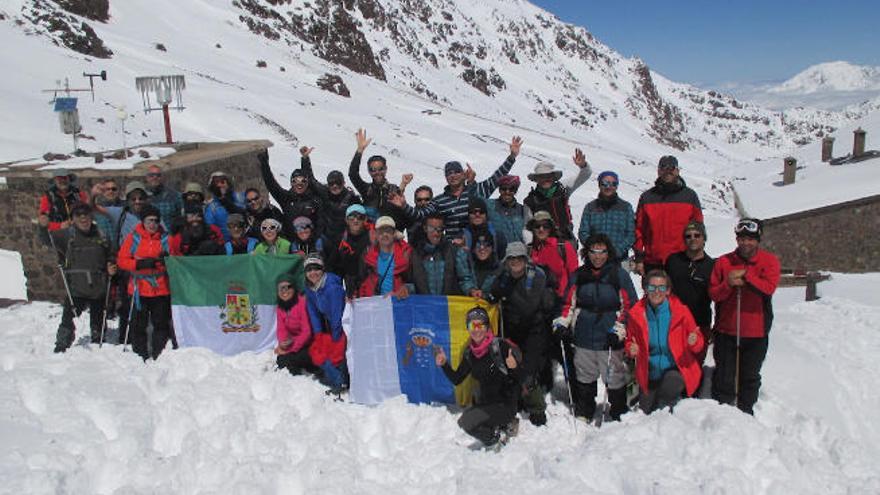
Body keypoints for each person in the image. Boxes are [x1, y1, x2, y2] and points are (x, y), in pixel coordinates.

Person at [553, 234, 637, 422]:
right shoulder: (579, 275)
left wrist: (619, 330)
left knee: (613, 374)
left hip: (609, 334)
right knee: (584, 374)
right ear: (587, 253)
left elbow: (630, 305)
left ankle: (618, 410)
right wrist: (561, 323)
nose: (597, 257)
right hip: (584, 332)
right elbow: (568, 303)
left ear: (608, 253)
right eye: (593, 252)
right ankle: (585, 409)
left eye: (602, 252)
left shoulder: (618, 275)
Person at [709, 218, 780, 415]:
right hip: (726, 329)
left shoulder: (769, 261)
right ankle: (722, 412)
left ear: (758, 239)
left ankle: (745, 412)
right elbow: (714, 293)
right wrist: (728, 284)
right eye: (741, 238)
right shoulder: (724, 261)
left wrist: (748, 276)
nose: (745, 243)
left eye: (750, 239)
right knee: (724, 375)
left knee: (749, 376)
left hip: (756, 331)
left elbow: (768, 288)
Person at [398, 136, 522, 241]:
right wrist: (404, 205)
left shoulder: (477, 190)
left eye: (456, 172)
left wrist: (511, 157)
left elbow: (497, 177)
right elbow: (420, 215)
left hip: (478, 248)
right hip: (452, 249)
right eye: (449, 173)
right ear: (446, 178)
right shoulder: (439, 201)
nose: (453, 175)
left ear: (463, 174)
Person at [488, 242, 557, 426]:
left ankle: (536, 409)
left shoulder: (537, 277)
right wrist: (493, 296)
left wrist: (506, 295)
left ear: (525, 260)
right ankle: (517, 401)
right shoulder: (503, 278)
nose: (515, 262)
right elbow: (493, 292)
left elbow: (529, 307)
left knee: (528, 370)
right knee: (510, 367)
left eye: (519, 258)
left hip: (534, 330)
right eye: (511, 259)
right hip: (512, 330)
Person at [434, 307, 523, 449]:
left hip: (505, 404)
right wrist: (444, 364)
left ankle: (495, 440)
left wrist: (514, 368)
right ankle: (502, 426)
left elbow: (522, 378)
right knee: (469, 417)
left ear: (487, 326)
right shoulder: (470, 353)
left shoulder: (500, 346)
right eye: (471, 325)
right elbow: (457, 379)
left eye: (480, 325)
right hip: (486, 403)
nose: (476, 330)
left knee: (466, 421)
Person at [38, 203, 116, 352]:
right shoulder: (67, 235)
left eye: (85, 214)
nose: (83, 218)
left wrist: (111, 265)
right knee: (68, 318)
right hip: (76, 287)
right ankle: (62, 343)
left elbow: (111, 253)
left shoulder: (101, 234)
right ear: (73, 219)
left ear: (90, 216)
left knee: (98, 317)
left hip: (98, 285)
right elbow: (47, 240)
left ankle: (98, 338)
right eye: (78, 215)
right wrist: (42, 227)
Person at [625, 270, 704, 414]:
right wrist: (631, 348)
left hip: (676, 369)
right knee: (646, 412)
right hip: (650, 372)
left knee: (665, 399)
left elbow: (698, 344)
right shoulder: (637, 314)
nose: (656, 292)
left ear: (668, 290)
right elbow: (630, 342)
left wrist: (694, 341)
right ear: (645, 289)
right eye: (652, 287)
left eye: (661, 287)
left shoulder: (681, 312)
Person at [117, 205, 173, 360]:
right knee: (138, 324)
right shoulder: (134, 238)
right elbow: (122, 261)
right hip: (138, 288)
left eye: (156, 221)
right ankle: (139, 353)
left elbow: (176, 260)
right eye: (149, 220)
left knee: (160, 324)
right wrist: (139, 265)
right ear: (143, 221)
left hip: (160, 288)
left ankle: (159, 353)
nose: (153, 224)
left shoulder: (166, 239)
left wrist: (166, 260)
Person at [633, 156, 703, 275]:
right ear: (658, 171)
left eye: (672, 168)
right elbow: (639, 230)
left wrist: (697, 254)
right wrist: (639, 258)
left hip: (682, 260)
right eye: (664, 168)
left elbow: (698, 227)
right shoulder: (647, 197)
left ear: (677, 171)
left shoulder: (689, 196)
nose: (668, 171)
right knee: (654, 293)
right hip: (653, 262)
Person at [665, 221, 715, 364]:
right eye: (688, 236)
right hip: (674, 323)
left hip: (699, 324)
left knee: (694, 367)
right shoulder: (673, 261)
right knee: (672, 366)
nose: (692, 238)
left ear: (704, 238)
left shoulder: (711, 266)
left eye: (697, 235)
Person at [523, 149, 592, 244]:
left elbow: (585, 175)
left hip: (566, 239)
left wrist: (583, 166)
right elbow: (528, 226)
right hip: (544, 243)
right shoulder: (530, 201)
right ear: (536, 179)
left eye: (548, 176)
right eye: (542, 177)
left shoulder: (563, 188)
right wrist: (530, 245)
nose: (545, 179)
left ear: (553, 177)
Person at [303, 255, 349, 393]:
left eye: (316, 268)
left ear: (322, 269)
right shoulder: (310, 288)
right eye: (309, 270)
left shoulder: (332, 287)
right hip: (329, 325)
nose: (313, 273)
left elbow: (337, 313)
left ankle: (340, 382)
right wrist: (318, 334)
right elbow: (313, 311)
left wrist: (336, 335)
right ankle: (337, 378)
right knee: (318, 350)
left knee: (337, 352)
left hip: (343, 324)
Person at [259, 149, 325, 239]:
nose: (299, 184)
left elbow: (321, 223)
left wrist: (305, 159)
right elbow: (271, 184)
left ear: (307, 182)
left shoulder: (315, 199)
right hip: (292, 245)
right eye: (295, 181)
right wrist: (264, 162)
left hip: (313, 244)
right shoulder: (286, 198)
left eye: (303, 181)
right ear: (291, 183)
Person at [347, 129, 408, 224]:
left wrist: (403, 185)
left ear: (386, 169)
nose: (377, 172)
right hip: (369, 234)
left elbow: (398, 209)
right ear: (368, 171)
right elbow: (353, 174)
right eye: (373, 170)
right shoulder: (366, 190)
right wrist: (359, 151)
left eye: (380, 169)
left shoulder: (393, 189)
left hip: (387, 233)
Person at [410, 214, 477, 296]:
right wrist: (406, 289)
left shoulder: (453, 251)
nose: (436, 233)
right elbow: (410, 282)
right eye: (432, 229)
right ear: (425, 229)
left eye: (439, 229)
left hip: (448, 304)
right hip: (425, 305)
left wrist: (471, 290)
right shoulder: (415, 253)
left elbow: (464, 278)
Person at [578, 171, 635, 266]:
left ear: (617, 186)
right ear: (599, 185)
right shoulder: (590, 207)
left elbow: (631, 234)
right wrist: (596, 250)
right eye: (605, 183)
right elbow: (583, 232)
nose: (608, 187)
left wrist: (617, 251)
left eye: (613, 184)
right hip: (595, 260)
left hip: (619, 261)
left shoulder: (626, 207)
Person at [527, 211, 579, 300]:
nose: (541, 229)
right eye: (537, 226)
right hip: (537, 303)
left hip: (561, 301)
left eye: (545, 226)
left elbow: (574, 276)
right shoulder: (530, 250)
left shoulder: (563, 246)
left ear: (551, 228)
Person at [357, 216, 411, 298]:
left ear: (394, 234)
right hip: (373, 304)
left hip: (398, 303)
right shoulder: (367, 254)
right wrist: (352, 296)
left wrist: (406, 288)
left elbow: (416, 281)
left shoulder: (406, 253)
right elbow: (360, 280)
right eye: (381, 232)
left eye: (388, 231)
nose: (384, 235)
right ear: (376, 234)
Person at [327, 204, 374, 298]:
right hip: (351, 288)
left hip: (373, 285)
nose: (355, 220)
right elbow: (332, 267)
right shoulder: (340, 240)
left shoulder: (374, 236)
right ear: (346, 220)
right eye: (351, 217)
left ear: (365, 219)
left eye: (359, 217)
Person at [273, 272, 313, 375]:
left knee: (292, 359)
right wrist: (283, 343)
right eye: (281, 288)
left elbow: (307, 331)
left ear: (294, 288)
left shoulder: (302, 303)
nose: (285, 291)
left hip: (309, 343)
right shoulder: (279, 307)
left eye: (288, 287)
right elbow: (281, 329)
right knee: (281, 359)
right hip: (294, 343)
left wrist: (292, 348)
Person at [204, 171, 246, 242]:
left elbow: (246, 213)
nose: (220, 185)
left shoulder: (241, 197)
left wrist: (225, 200)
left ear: (228, 184)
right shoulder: (211, 208)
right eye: (216, 183)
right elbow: (211, 228)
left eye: (223, 182)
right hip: (226, 246)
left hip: (246, 241)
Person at [462, 197, 507, 261]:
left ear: (486, 214)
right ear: (469, 215)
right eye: (473, 212)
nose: (477, 214)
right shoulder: (462, 236)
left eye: (481, 211)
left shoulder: (498, 236)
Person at [486, 174, 526, 244]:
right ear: (499, 190)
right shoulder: (490, 205)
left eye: (511, 189)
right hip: (498, 252)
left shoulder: (523, 210)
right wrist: (471, 184)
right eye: (504, 188)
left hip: (519, 252)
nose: (507, 192)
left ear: (515, 191)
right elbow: (474, 199)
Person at [144, 165, 182, 230]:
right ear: (147, 178)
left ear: (162, 177)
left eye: (158, 175)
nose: (155, 177)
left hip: (170, 237)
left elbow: (182, 217)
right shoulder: (141, 197)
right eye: (151, 175)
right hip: (148, 238)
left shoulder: (174, 195)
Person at [469, 231, 501, 298]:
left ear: (492, 248)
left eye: (487, 245)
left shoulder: (500, 269)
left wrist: (485, 295)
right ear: (473, 249)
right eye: (478, 245)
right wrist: (471, 290)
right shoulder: (467, 268)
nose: (482, 248)